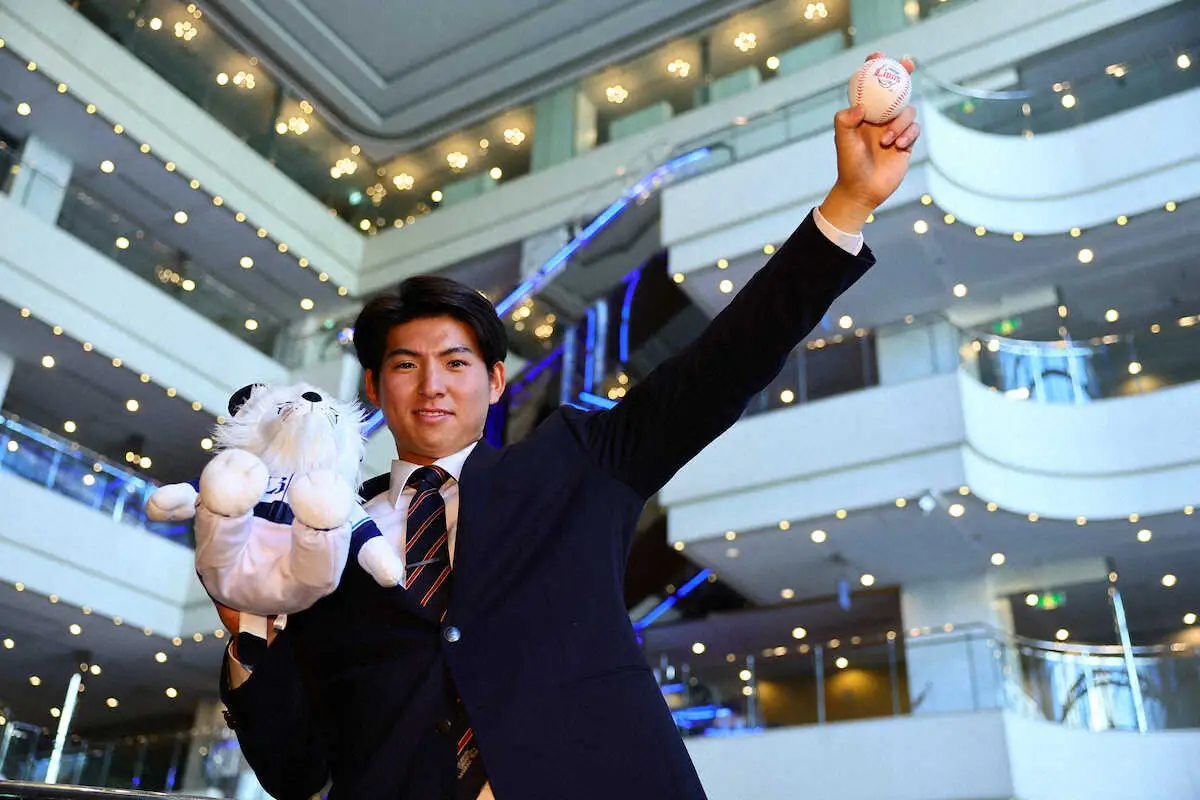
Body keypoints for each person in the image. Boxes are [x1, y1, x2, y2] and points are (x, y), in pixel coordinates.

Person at [216, 54, 920, 800]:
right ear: (372, 388)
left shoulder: (578, 461)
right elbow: (298, 772)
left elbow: (723, 365)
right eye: (406, 365)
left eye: (456, 363)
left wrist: (848, 203)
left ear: (495, 383)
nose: (432, 386)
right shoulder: (322, 537)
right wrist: (247, 635)